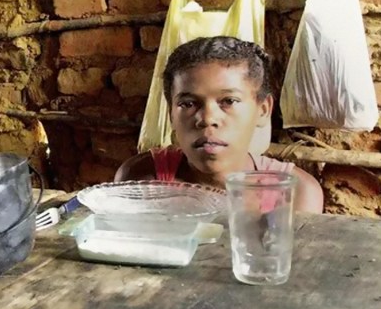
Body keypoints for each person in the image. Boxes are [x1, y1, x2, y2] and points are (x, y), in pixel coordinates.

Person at [116, 36, 324, 213]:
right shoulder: (140, 180)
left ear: (263, 109)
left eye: (229, 101)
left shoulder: (295, 193)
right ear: (171, 112)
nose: (207, 119)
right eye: (188, 103)